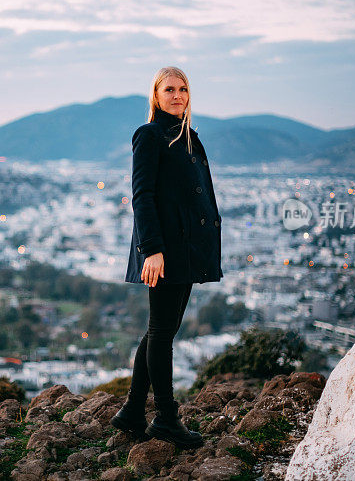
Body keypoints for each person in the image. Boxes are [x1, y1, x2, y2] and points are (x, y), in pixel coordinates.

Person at [111, 66, 223, 449]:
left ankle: (131, 411)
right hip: (165, 250)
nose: (178, 96)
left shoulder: (188, 137)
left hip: (187, 248)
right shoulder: (150, 135)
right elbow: (142, 196)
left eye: (184, 89)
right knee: (162, 331)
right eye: (169, 89)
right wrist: (152, 250)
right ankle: (165, 417)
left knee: (163, 328)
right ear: (155, 95)